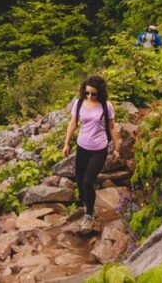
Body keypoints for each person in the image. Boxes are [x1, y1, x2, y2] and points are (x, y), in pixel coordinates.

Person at [61, 75, 120, 229]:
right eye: (87, 93)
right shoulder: (79, 103)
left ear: (100, 92)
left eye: (93, 94)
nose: (89, 96)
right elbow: (73, 123)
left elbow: (112, 127)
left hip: (99, 149)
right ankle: (86, 204)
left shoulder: (106, 106)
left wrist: (117, 149)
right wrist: (66, 143)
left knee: (88, 181)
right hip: (82, 147)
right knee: (80, 182)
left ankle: (89, 214)